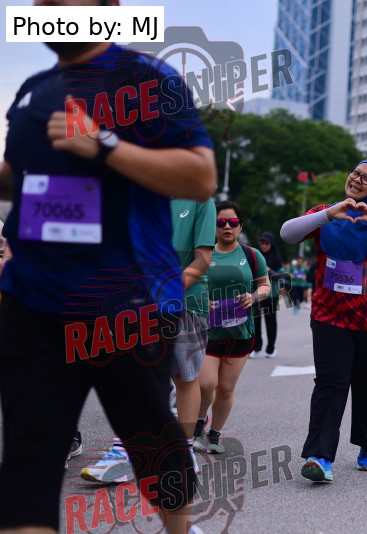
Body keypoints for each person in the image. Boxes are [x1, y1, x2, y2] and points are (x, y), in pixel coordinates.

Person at [0, 1, 217, 531]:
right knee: (28, 461)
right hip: (32, 301)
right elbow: (17, 177)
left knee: (151, 444)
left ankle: (180, 527)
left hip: (124, 302)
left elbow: (200, 176)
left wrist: (103, 144)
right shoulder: (33, 90)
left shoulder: (145, 78)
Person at [280, 159, 367, 482]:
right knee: (329, 384)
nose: (357, 180)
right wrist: (328, 214)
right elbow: (287, 233)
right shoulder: (326, 213)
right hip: (329, 314)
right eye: (355, 173)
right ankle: (319, 456)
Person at [81, 197, 216, 485]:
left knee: (184, 377)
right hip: (137, 302)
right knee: (132, 374)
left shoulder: (199, 198)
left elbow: (203, 259)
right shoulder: (137, 194)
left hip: (186, 301)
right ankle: (124, 452)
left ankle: (184, 452)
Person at [194, 201, 270, 453]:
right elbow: (189, 285)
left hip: (240, 333)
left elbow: (265, 286)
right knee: (206, 383)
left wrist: (253, 297)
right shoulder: (203, 254)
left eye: (233, 222)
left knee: (226, 389)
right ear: (213, 226)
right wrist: (202, 300)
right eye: (221, 222)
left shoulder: (252, 255)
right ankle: (198, 423)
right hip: (208, 332)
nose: (227, 226)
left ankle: (215, 434)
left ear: (240, 226)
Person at [251, 231, 283, 358]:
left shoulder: (276, 258)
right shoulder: (257, 256)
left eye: (266, 243)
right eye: (262, 243)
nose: (264, 245)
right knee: (256, 321)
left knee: (270, 322)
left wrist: (268, 270)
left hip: (271, 295)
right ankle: (256, 347)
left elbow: (281, 276)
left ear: (271, 244)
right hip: (257, 293)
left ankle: (271, 349)